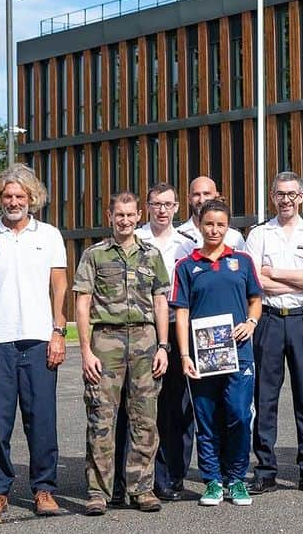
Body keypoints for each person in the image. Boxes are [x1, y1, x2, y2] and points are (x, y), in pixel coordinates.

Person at [0, 164, 68, 519]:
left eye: (20, 196)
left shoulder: (50, 236)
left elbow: (59, 286)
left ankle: (44, 490)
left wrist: (58, 332)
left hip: (40, 340)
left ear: (32, 199)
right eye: (8, 196)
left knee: (41, 419)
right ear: (0, 198)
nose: (13, 201)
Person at [74, 191, 172, 516]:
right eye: (120, 215)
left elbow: (161, 301)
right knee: (101, 417)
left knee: (145, 416)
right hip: (107, 340)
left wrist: (163, 346)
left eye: (131, 215)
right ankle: (98, 492)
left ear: (139, 215)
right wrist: (85, 350)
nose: (125, 220)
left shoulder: (152, 255)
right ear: (110, 216)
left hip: (145, 340)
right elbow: (82, 303)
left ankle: (141, 489)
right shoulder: (94, 255)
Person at [173, 199, 263, 507]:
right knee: (207, 418)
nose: (214, 229)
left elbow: (256, 300)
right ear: (199, 225)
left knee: (239, 414)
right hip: (203, 354)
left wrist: (251, 323)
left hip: (238, 352)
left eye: (221, 224)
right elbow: (182, 313)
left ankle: (236, 478)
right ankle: (212, 480)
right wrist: (185, 355)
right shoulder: (186, 266)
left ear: (228, 227)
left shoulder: (242, 261)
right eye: (209, 224)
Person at [246, 172, 303, 496]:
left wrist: (276, 273)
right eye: (280, 194)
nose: (286, 200)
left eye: (292, 194)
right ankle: (265, 470)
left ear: (302, 196)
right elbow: (255, 282)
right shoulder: (259, 234)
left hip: (301, 320)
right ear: (272, 196)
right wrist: (299, 278)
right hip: (268, 320)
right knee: (264, 398)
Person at [124, 182, 195, 504]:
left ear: (177, 207)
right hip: (144, 329)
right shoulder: (135, 240)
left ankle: (173, 475)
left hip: (178, 326)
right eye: (156, 204)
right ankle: (144, 476)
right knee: (143, 406)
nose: (162, 209)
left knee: (177, 407)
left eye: (168, 204)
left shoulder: (186, 244)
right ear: (147, 207)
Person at [172, 175, 246, 260]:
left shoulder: (234, 237)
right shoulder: (177, 236)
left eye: (206, 194)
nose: (202, 200)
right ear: (189, 198)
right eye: (196, 195)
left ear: (216, 195)